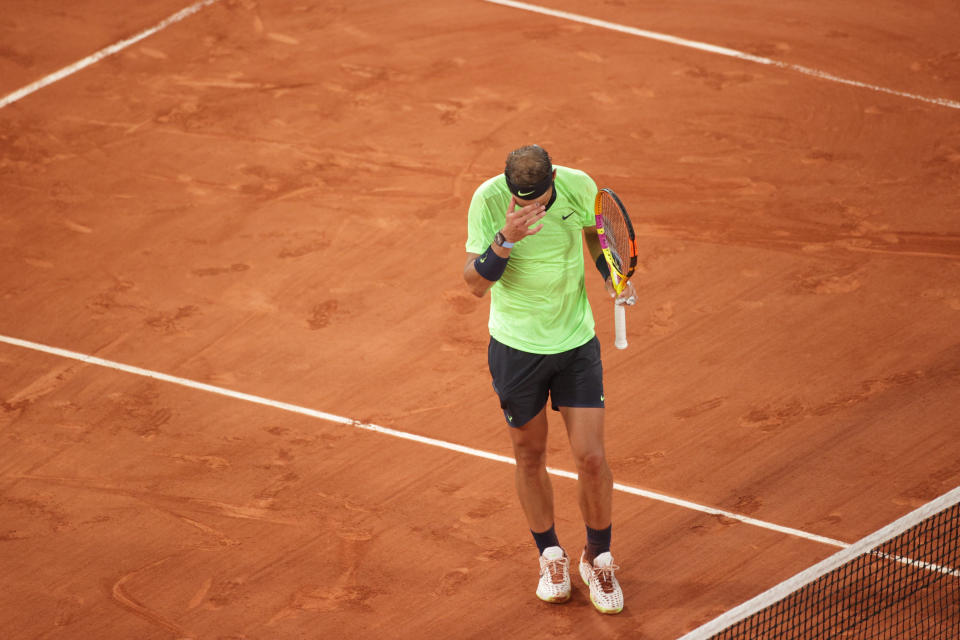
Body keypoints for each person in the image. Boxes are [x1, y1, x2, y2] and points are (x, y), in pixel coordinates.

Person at [462, 144, 635, 614]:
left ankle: (597, 556)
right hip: (517, 350)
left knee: (593, 458)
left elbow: (596, 236)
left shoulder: (580, 186)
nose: (528, 207)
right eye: (521, 200)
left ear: (554, 180)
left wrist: (610, 272)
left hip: (576, 343)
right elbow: (475, 283)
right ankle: (550, 555)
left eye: (536, 199)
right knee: (529, 454)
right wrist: (506, 237)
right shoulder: (489, 200)